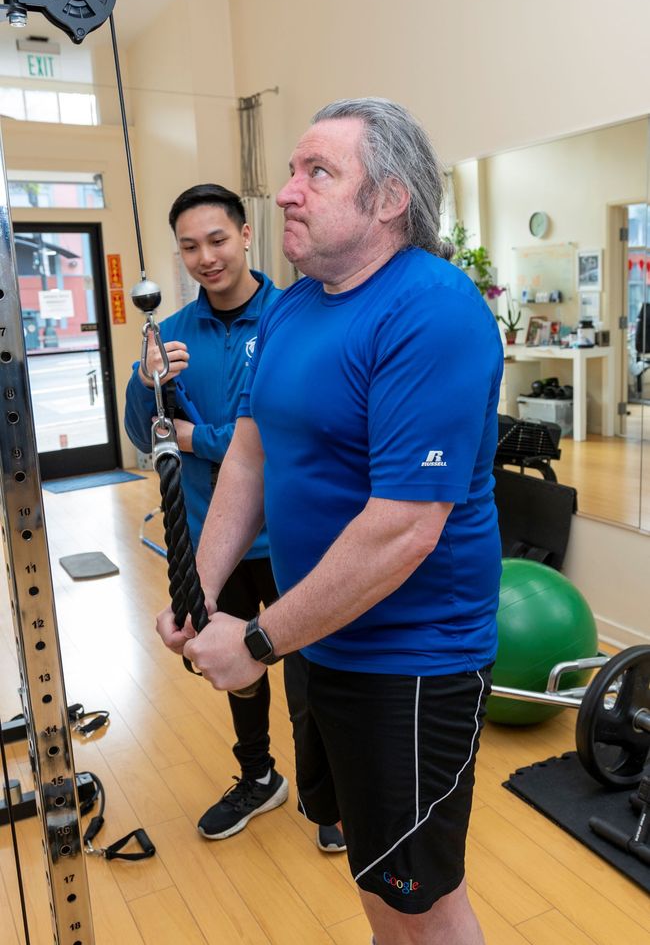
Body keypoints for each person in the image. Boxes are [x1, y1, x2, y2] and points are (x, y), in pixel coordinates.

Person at [156, 101, 504, 945]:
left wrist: (261, 641)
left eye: (317, 173)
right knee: (376, 880)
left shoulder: (434, 310)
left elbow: (403, 530)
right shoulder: (297, 305)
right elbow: (250, 454)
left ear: (388, 199)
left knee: (425, 900)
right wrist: (199, 587)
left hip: (411, 664)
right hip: (326, 639)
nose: (285, 194)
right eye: (290, 171)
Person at [125, 183, 345, 853]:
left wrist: (200, 438)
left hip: (291, 537)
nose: (205, 257)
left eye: (217, 239)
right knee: (232, 666)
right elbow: (149, 435)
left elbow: (274, 439)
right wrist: (146, 381)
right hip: (209, 536)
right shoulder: (174, 332)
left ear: (246, 234)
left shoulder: (293, 316)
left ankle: (324, 793)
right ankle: (258, 775)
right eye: (189, 246)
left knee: (310, 674)